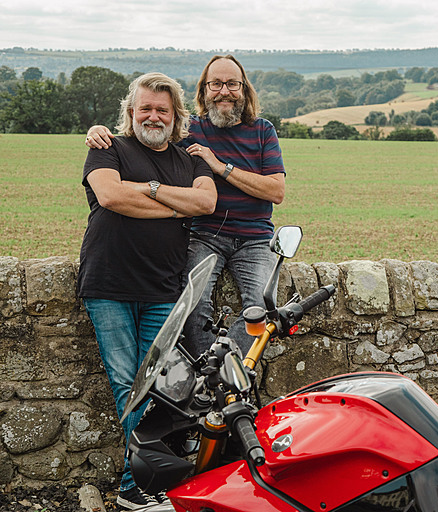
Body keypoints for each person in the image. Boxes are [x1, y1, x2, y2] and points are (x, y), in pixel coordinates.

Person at [86, 55, 286, 359]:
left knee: (262, 307)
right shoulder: (190, 130)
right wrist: (97, 130)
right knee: (191, 305)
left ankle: (224, 367)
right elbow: (149, 135)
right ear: (204, 91)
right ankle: (210, 374)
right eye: (215, 84)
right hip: (204, 235)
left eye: (232, 84)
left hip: (256, 239)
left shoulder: (263, 131)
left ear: (244, 89)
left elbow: (276, 191)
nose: (224, 91)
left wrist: (219, 167)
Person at [79, 72, 216, 510]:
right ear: (130, 113)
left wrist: (149, 190)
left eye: (162, 109)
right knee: (127, 384)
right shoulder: (108, 147)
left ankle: (136, 484)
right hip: (109, 284)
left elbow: (206, 204)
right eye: (144, 108)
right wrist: (174, 207)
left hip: (163, 288)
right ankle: (136, 486)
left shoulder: (190, 159)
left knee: (156, 386)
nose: (152, 116)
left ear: (175, 116)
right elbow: (111, 196)